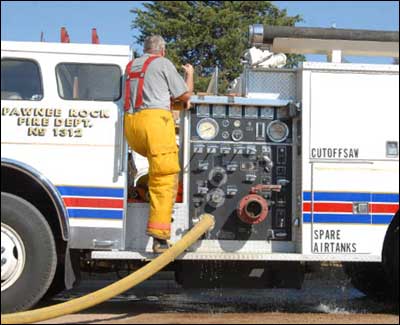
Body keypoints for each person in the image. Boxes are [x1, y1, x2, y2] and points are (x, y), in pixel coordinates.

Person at [124, 35, 194, 253]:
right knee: (165, 177)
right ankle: (160, 238)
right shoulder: (163, 63)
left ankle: (143, 194)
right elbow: (185, 94)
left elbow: (150, 94)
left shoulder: (130, 66)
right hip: (155, 125)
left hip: (132, 127)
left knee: (153, 173)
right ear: (162, 51)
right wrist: (189, 75)